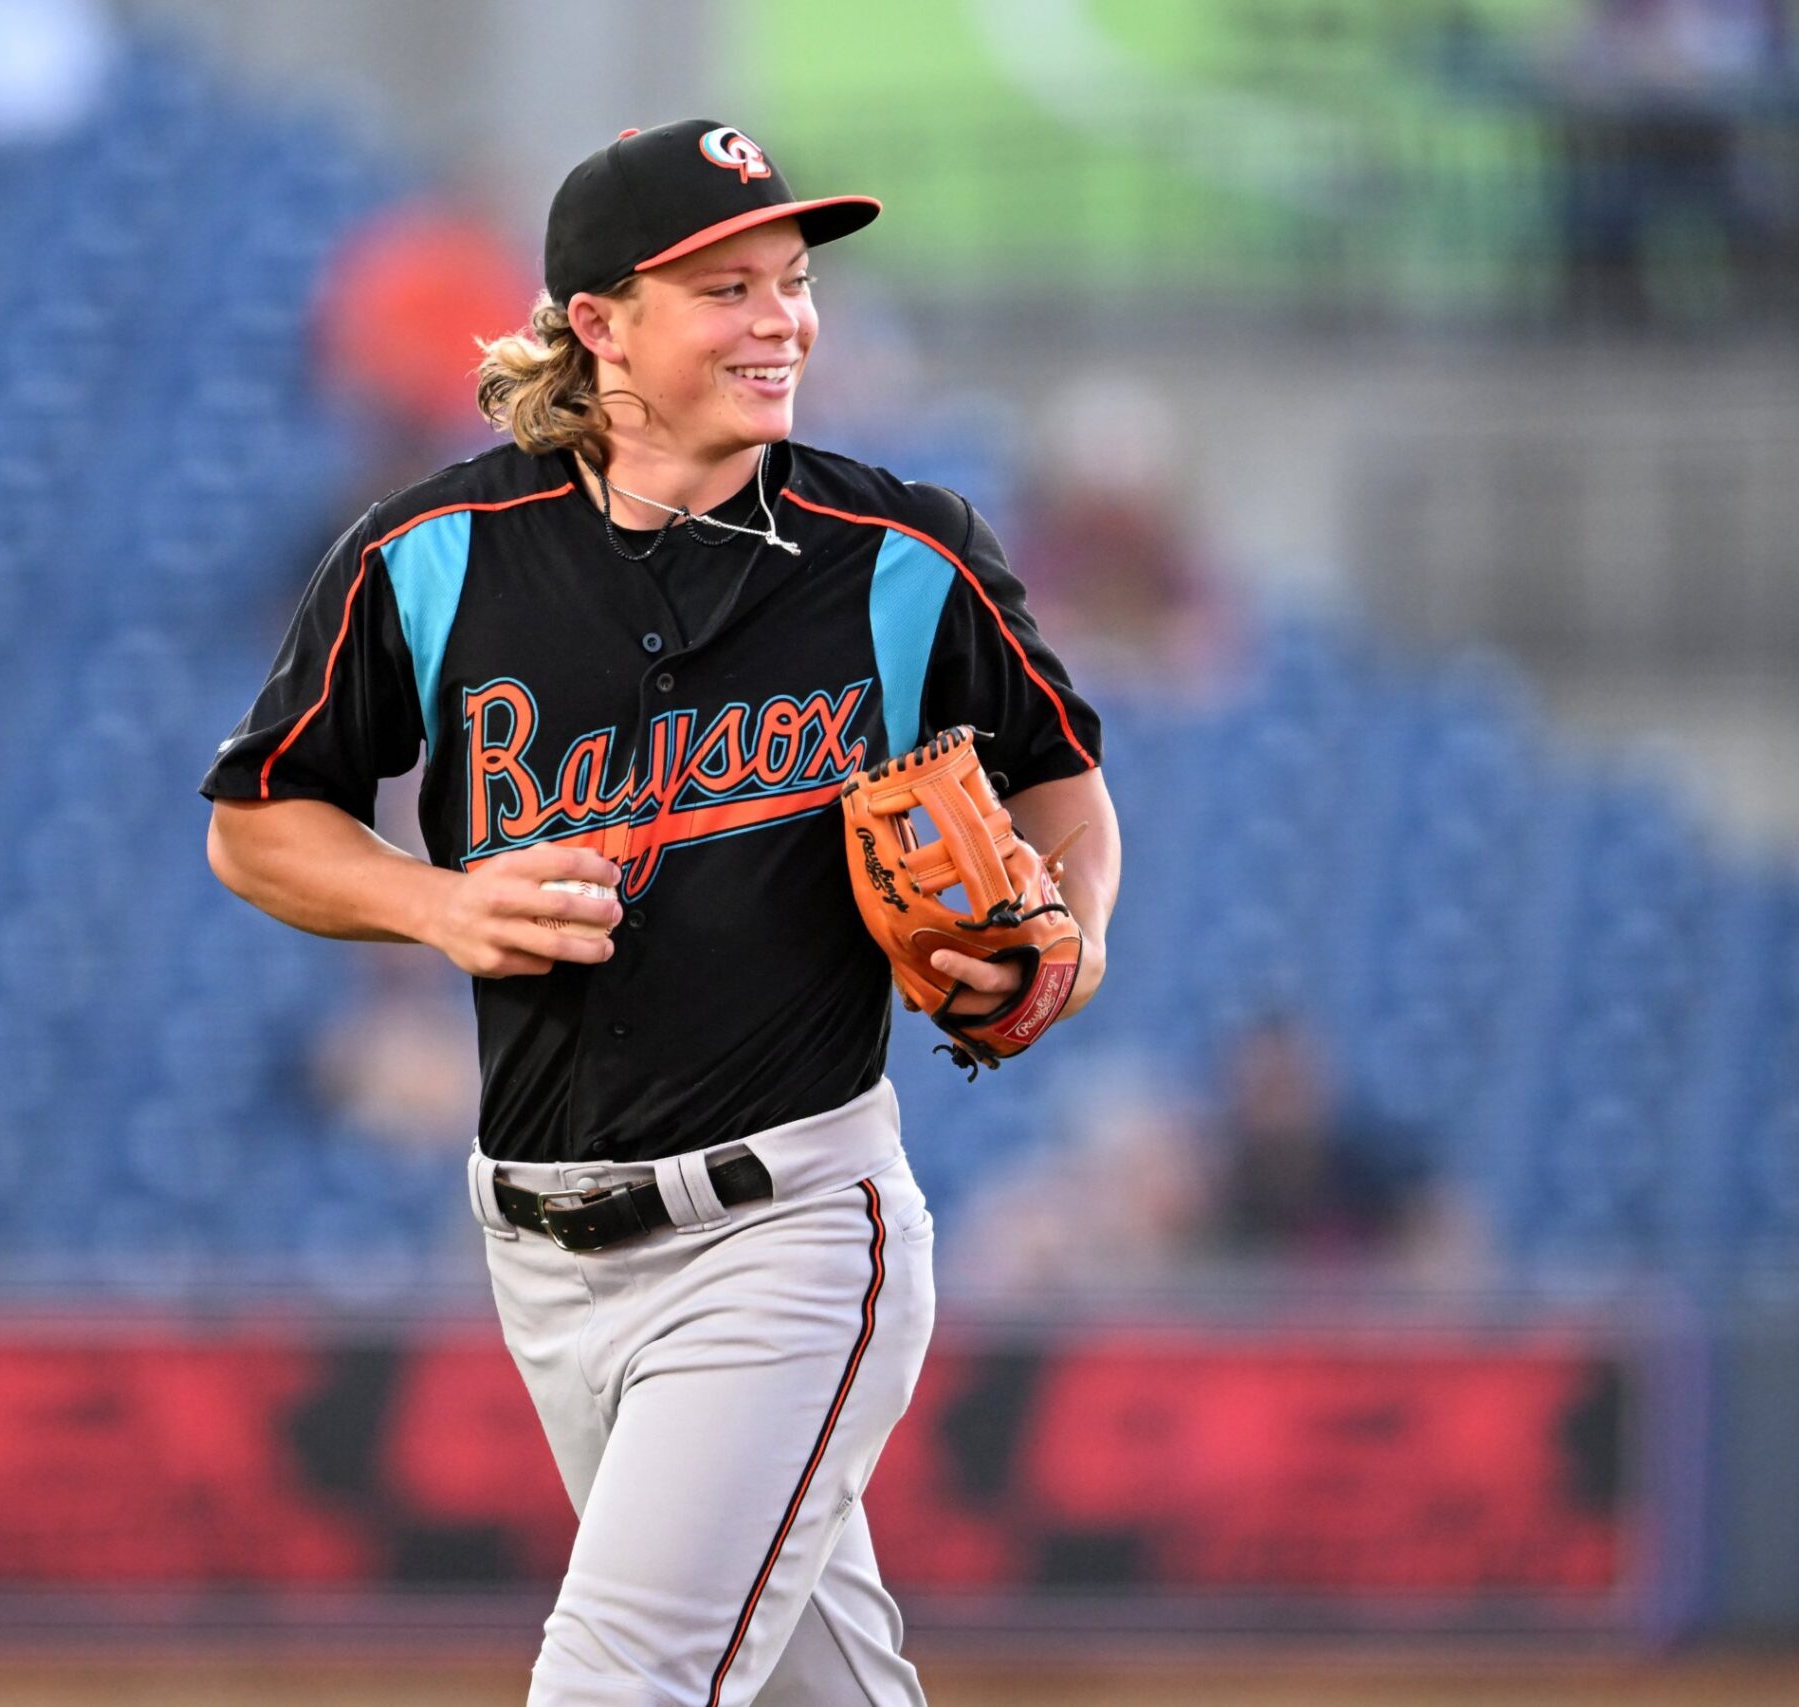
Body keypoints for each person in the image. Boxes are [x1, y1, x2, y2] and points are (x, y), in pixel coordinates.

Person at [199, 119, 1119, 1706]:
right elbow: (256, 825)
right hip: (541, 1243)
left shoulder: (902, 556)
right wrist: (436, 905)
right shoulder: (430, 556)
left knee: (615, 1686)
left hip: (792, 1231)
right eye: (729, 289)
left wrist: (1073, 933)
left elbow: (1064, 791)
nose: (785, 320)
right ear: (599, 325)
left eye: (793, 282)